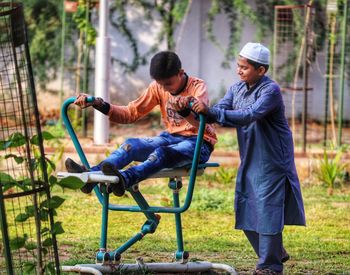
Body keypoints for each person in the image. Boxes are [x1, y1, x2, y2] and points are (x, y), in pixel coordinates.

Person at [190, 42, 306, 275]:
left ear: (261, 70)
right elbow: (220, 112)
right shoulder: (236, 88)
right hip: (251, 157)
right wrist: (193, 109)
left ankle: (270, 266)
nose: (239, 70)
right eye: (238, 66)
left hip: (273, 160)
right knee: (245, 206)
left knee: (268, 209)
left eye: (245, 67)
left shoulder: (270, 91)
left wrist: (212, 112)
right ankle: (275, 251)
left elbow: (249, 115)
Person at [66, 51, 217, 196]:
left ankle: (124, 179)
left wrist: (186, 109)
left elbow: (202, 122)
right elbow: (130, 113)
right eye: (160, 84)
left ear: (180, 73)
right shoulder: (157, 87)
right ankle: (90, 176)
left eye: (168, 84)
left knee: (162, 153)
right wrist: (99, 104)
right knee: (131, 145)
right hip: (172, 137)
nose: (164, 88)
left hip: (198, 142)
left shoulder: (197, 87)